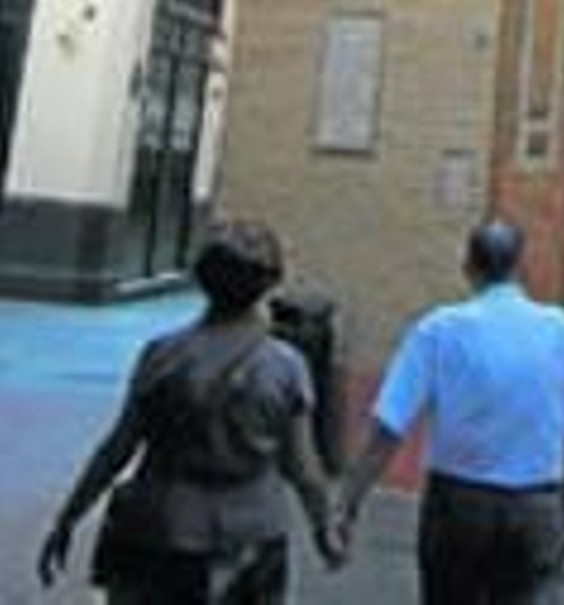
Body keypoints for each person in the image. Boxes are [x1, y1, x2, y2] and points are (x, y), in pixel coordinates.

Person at [37, 218, 342, 601]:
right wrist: (324, 528)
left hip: (157, 529)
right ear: (269, 283)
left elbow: (117, 449)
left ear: (201, 279)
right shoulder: (284, 368)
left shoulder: (161, 355)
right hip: (250, 535)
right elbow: (304, 469)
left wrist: (68, 518)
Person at [340, 216, 564, 603]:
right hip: (535, 502)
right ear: (521, 266)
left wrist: (349, 502)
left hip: (458, 501)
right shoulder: (563, 331)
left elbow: (388, 427)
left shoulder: (438, 330)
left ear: (468, 268)